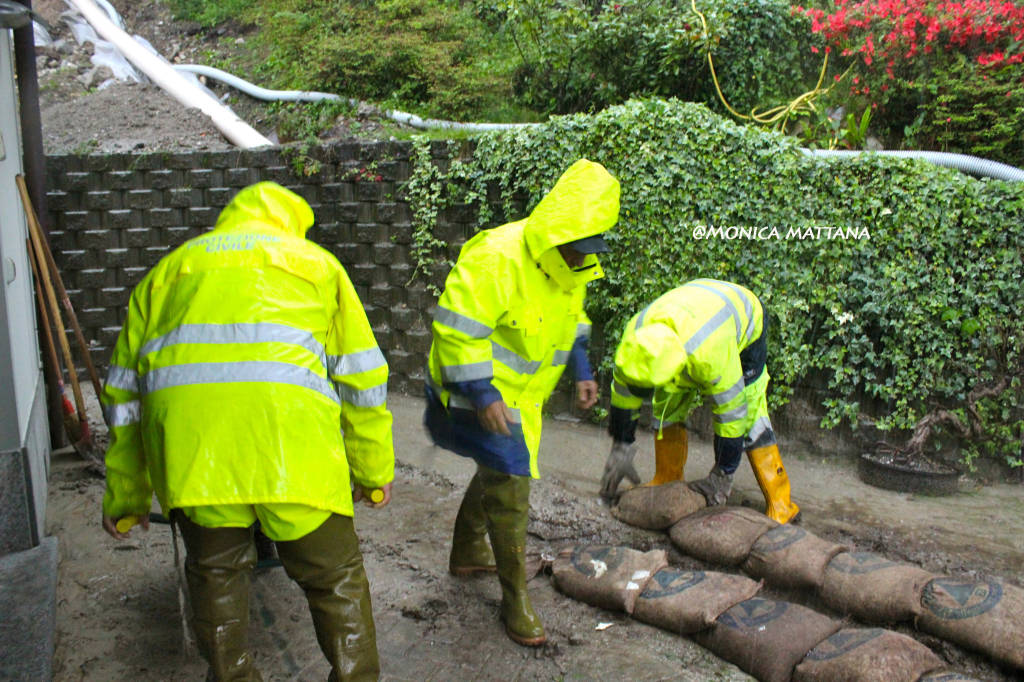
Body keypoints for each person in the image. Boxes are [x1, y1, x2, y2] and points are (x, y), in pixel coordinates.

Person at [100, 182, 394, 681]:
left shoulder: (168, 272)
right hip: (292, 450)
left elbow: (125, 399)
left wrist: (127, 498)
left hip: (198, 456)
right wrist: (373, 471)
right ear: (292, 223)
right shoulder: (317, 265)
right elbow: (362, 380)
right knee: (334, 578)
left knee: (215, 575)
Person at [424, 159, 620, 646]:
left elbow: (573, 322)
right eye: (577, 250)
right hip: (470, 387)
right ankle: (515, 600)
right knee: (511, 482)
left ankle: (468, 550)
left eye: (588, 251)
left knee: (499, 471)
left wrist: (581, 370)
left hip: (518, 399)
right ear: (558, 232)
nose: (582, 261)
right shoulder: (499, 256)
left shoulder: (570, 266)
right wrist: (483, 393)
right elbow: (456, 329)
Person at [599, 279, 800, 525]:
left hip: (742, 315)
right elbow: (623, 395)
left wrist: (723, 474)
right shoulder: (635, 341)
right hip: (696, 308)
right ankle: (668, 477)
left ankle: (782, 504)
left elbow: (732, 415)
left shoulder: (711, 355)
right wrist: (622, 446)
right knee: (667, 401)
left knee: (749, 412)